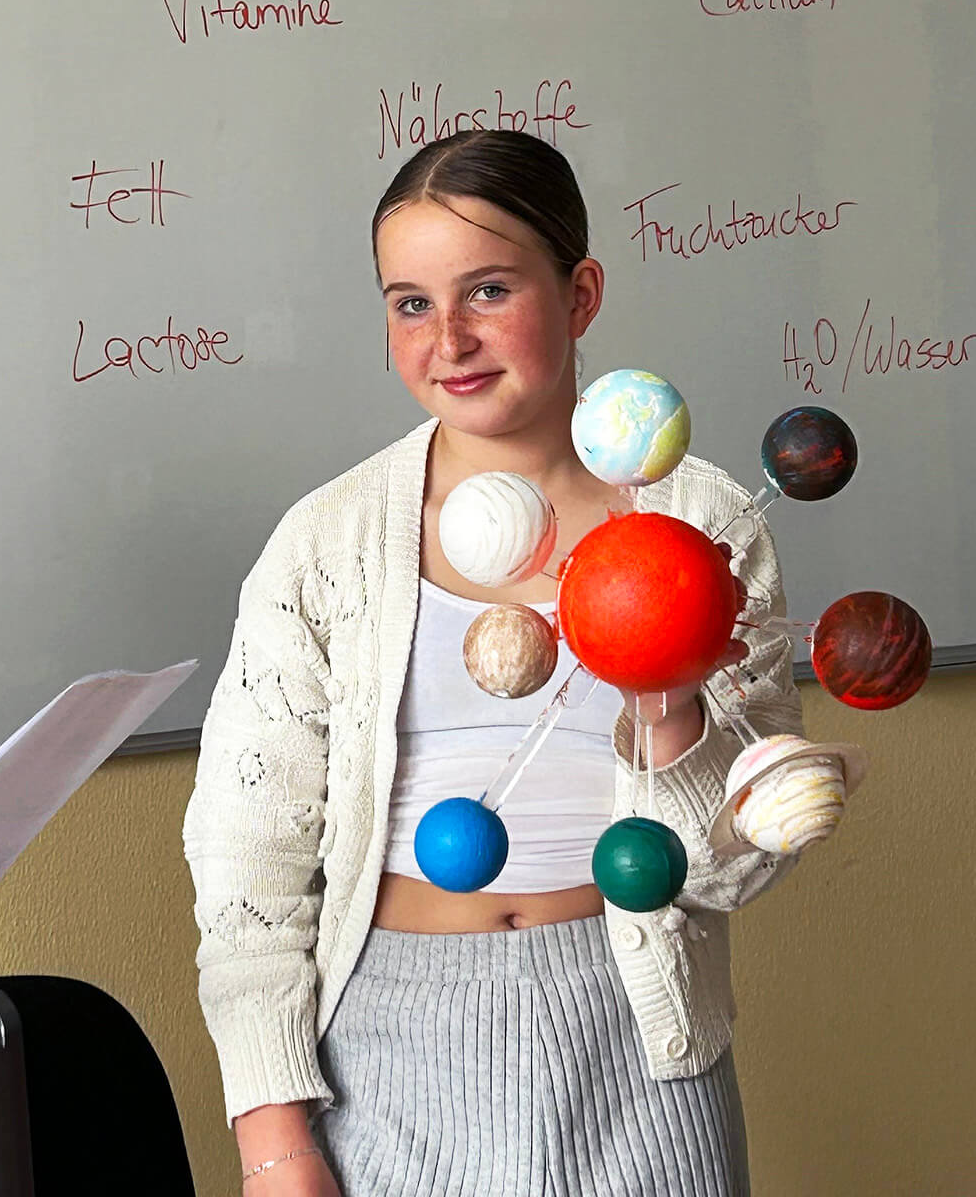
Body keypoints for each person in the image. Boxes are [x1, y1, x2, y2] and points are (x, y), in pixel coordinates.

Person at [183, 131, 805, 1196]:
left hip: (637, 1042)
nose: (450, 339)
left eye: (488, 289)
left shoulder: (699, 519)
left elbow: (739, 866)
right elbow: (248, 864)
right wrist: (273, 1137)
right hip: (383, 1049)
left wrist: (669, 707)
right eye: (410, 303)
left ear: (581, 292)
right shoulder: (326, 543)